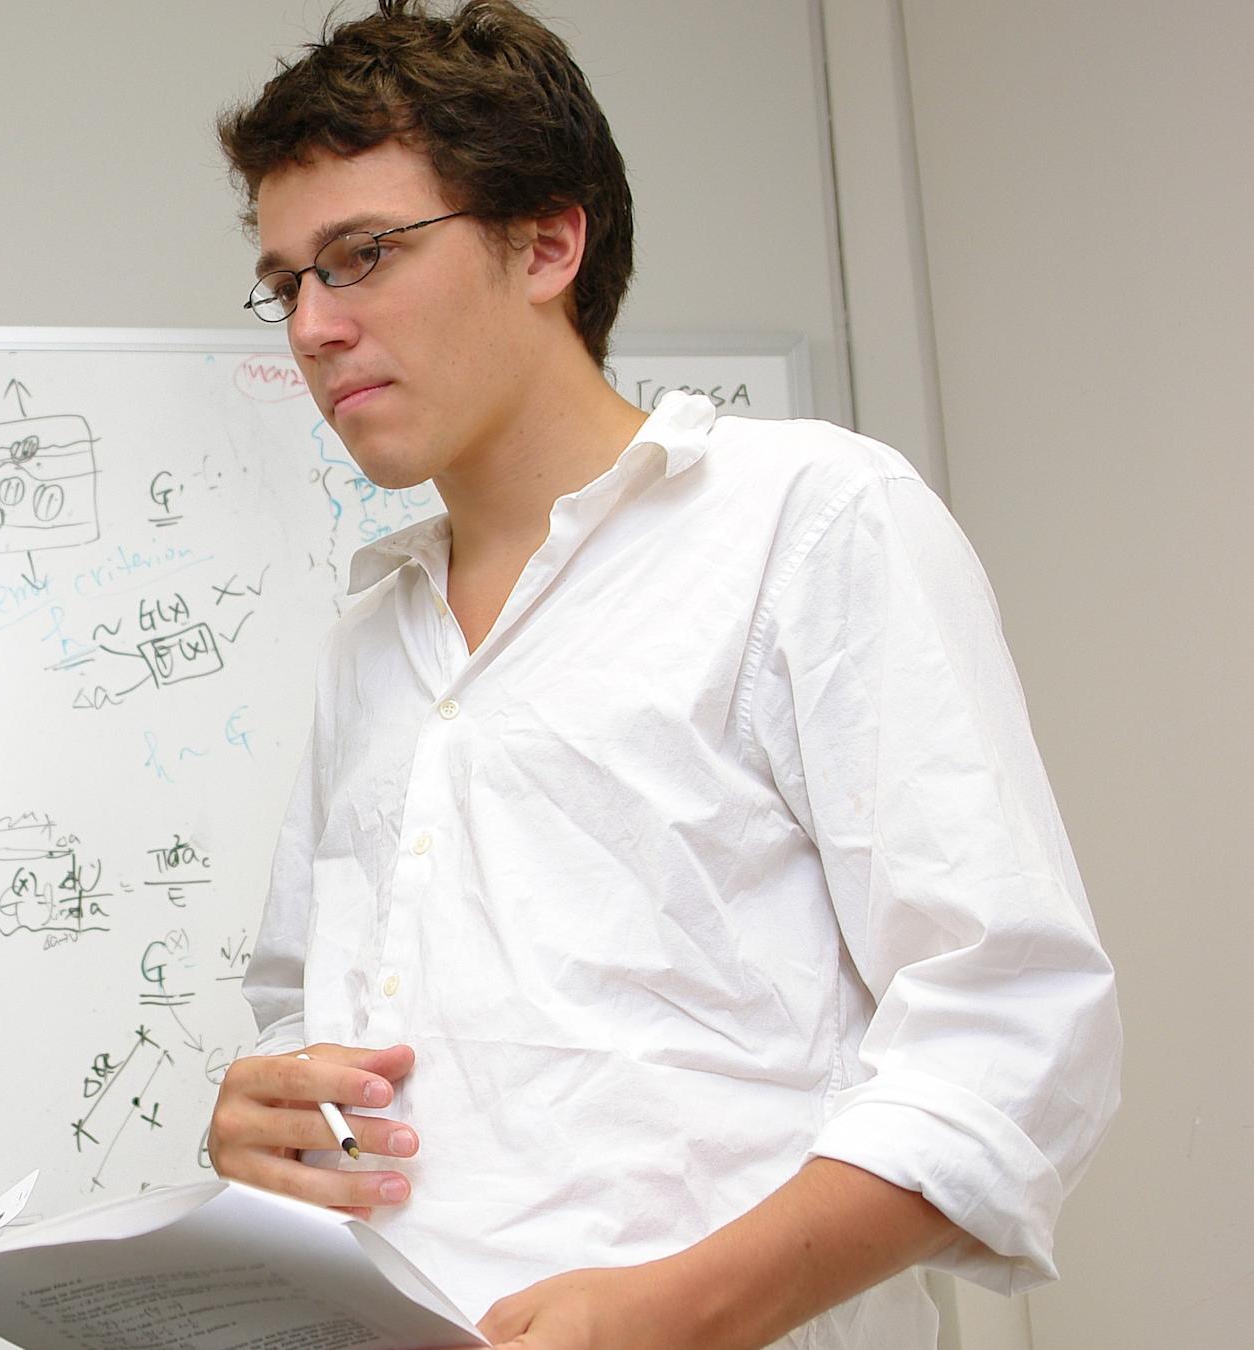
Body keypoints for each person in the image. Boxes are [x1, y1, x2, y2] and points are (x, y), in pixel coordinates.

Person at [201, 5, 1121, 1347]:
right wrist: (272, 1122)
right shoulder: (374, 633)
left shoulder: (809, 521)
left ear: (548, 241)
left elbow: (1012, 1034)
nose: (315, 327)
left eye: (363, 256)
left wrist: (685, 1309)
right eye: (288, 281)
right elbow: (309, 1009)